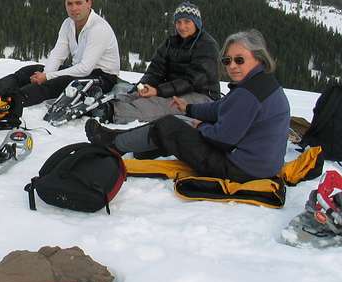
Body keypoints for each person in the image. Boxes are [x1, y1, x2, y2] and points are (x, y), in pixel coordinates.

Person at [86, 29, 290, 181]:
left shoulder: (248, 93)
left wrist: (200, 126)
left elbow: (223, 139)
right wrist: (189, 108)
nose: (232, 66)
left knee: (169, 125)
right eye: (227, 61)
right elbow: (220, 108)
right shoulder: (259, 83)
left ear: (259, 59)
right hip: (258, 164)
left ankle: (113, 143)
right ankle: (137, 146)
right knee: (180, 121)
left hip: (240, 169)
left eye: (239, 60)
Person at [0, 0, 120, 108]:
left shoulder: (98, 28)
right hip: (78, 71)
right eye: (70, 4)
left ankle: (7, 104)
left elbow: (85, 69)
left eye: (78, 3)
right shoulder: (68, 24)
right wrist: (45, 74)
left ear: (89, 3)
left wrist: (48, 77)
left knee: (51, 84)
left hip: (102, 78)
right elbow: (58, 54)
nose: (74, 8)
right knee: (28, 71)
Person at [102, 1, 220, 124]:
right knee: (136, 94)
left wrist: (158, 91)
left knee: (163, 105)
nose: (182, 26)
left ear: (196, 23)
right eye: (178, 22)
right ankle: (105, 104)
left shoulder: (207, 46)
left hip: (202, 95)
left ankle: (113, 112)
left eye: (187, 22)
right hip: (173, 89)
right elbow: (155, 70)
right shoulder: (171, 43)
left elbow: (191, 81)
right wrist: (140, 88)